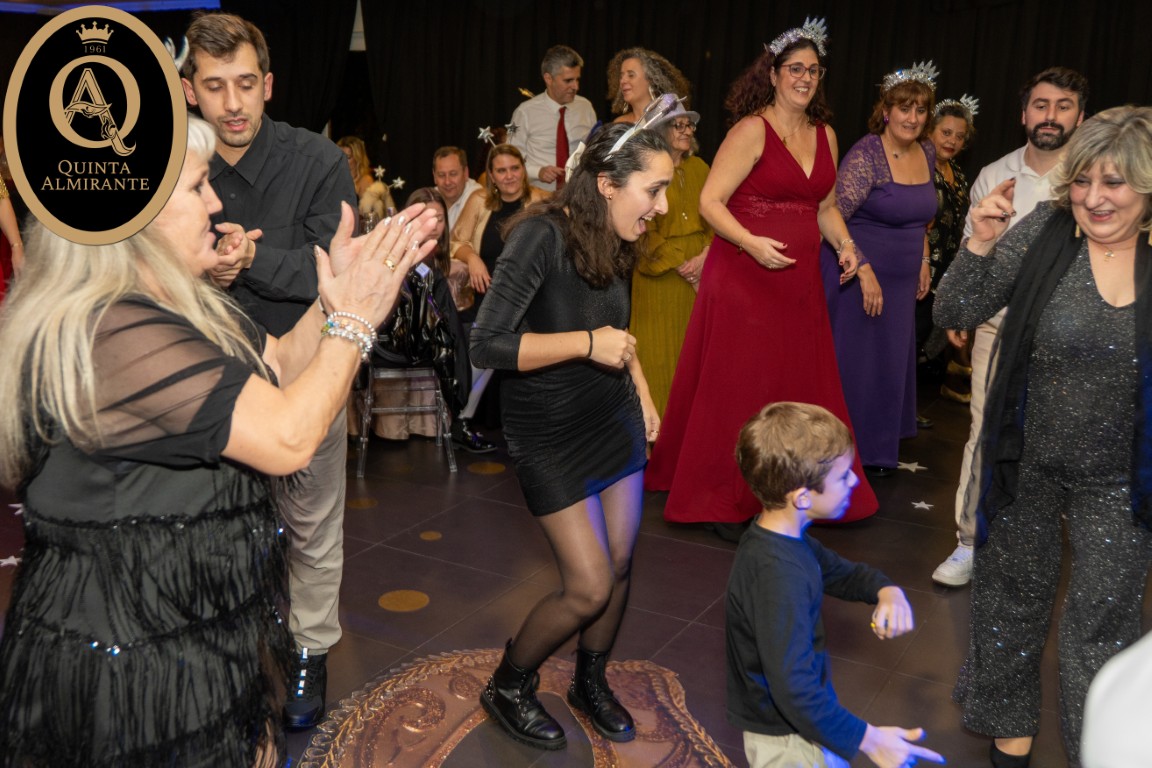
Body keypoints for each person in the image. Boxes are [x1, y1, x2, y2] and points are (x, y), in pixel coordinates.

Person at [0, 115, 438, 765]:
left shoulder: (179, 307)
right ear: (139, 216)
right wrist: (356, 318)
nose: (215, 203)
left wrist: (334, 298)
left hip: (192, 620)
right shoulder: (112, 328)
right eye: (198, 187)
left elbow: (283, 364)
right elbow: (288, 437)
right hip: (129, 656)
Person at [935, 105, 1152, 768]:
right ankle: (1011, 741)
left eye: (1113, 183)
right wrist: (979, 241)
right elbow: (955, 310)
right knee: (1010, 603)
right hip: (1025, 461)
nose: (1094, 198)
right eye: (1082, 181)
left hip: (1120, 478)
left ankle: (1100, 750)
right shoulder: (1047, 231)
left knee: (1104, 624)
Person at [180, 11, 356, 729]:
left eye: (246, 84)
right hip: (202, 386)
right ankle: (228, 654)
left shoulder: (317, 162)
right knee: (213, 530)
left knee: (311, 525)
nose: (233, 103)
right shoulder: (171, 169)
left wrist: (252, 259)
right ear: (189, 90)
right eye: (214, 86)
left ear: (269, 85)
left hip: (306, 377)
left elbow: (334, 271)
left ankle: (309, 651)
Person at [470, 122, 668, 750]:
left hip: (612, 414)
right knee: (589, 585)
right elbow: (487, 343)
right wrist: (586, 344)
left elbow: (616, 330)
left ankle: (590, 681)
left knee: (621, 561)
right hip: (549, 431)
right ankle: (508, 685)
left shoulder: (620, 233)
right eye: (654, 190)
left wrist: (642, 391)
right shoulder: (540, 235)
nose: (663, 206)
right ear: (607, 184)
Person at [647, 18, 877, 540]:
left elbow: (825, 207)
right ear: (772, 74)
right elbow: (711, 203)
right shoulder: (752, 130)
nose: (805, 78)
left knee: (791, 386)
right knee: (739, 386)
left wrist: (847, 248)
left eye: (813, 70)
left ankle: (793, 489)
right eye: (795, 69)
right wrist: (750, 243)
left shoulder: (825, 134)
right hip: (743, 278)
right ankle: (724, 498)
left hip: (797, 285)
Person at [930, 67, 1088, 588]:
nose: (1050, 116)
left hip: (1073, 335)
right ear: (1024, 114)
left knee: (1059, 441)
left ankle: (1044, 549)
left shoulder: (1093, 175)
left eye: (1063, 106)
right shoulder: (995, 174)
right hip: (1000, 327)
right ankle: (968, 543)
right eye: (1041, 105)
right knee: (986, 433)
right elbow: (973, 248)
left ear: (1080, 116)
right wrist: (965, 313)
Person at [727, 402, 945, 768]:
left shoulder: (786, 540)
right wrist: (870, 740)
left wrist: (886, 590)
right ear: (803, 497)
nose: (855, 481)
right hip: (787, 737)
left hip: (804, 721)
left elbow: (841, 573)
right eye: (844, 477)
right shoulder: (777, 576)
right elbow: (794, 689)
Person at [819, 62, 938, 473]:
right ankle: (848, 451)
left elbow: (921, 217)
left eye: (921, 110)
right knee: (861, 367)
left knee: (888, 363)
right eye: (904, 108)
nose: (912, 118)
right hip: (859, 276)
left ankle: (878, 448)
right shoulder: (867, 154)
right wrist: (864, 269)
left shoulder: (927, 151)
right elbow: (831, 214)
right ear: (885, 111)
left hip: (902, 282)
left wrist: (924, 258)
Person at [450, 144, 548, 452]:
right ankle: (462, 422)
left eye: (514, 168)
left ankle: (536, 432)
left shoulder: (540, 201)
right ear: (491, 175)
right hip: (490, 297)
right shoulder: (479, 201)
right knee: (482, 363)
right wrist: (473, 259)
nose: (509, 176)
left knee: (534, 364)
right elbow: (456, 241)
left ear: (524, 169)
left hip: (532, 299)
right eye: (501, 170)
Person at [361, 187, 471, 442]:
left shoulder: (430, 258)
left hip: (394, 348)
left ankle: (459, 409)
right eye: (426, 219)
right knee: (462, 332)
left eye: (439, 219)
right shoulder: (400, 255)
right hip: (396, 349)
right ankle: (459, 410)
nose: (433, 226)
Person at [629, 98, 712, 418]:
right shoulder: (644, 170)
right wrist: (683, 263)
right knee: (658, 358)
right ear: (661, 131)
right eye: (679, 125)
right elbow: (642, 229)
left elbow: (716, 216)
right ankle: (656, 432)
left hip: (700, 275)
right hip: (661, 279)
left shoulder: (701, 168)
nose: (687, 130)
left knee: (692, 357)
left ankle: (688, 433)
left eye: (690, 125)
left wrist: (704, 257)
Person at [922, 95, 977, 404]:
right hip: (920, 267)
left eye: (959, 136)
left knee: (929, 339)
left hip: (946, 270)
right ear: (930, 129)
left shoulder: (958, 173)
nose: (952, 141)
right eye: (946, 132)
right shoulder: (917, 164)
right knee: (911, 337)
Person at [507, 44, 597, 192]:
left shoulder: (585, 107)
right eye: (568, 80)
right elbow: (510, 159)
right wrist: (538, 172)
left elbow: (594, 150)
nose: (576, 87)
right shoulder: (524, 112)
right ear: (548, 78)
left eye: (577, 80)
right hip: (539, 195)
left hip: (579, 194)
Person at [606, 47, 690, 125]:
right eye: (621, 77)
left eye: (631, 75)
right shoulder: (619, 124)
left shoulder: (669, 119)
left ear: (650, 79)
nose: (623, 81)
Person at [433, 146, 481, 230]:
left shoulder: (478, 198)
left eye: (453, 174)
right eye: (441, 175)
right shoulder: (429, 199)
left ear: (465, 173)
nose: (447, 182)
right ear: (434, 176)